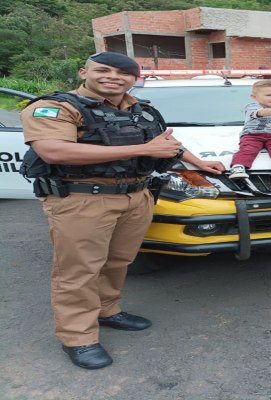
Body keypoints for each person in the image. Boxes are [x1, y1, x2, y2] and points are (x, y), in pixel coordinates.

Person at [19, 52, 225, 369]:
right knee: (78, 270)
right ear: (83, 72)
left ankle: (108, 311)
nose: (113, 76)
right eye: (103, 70)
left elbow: (167, 142)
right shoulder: (59, 107)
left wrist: (199, 163)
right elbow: (53, 150)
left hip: (136, 194)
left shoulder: (142, 109)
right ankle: (78, 338)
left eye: (123, 72)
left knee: (118, 261)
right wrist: (144, 150)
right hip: (81, 198)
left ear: (133, 78)